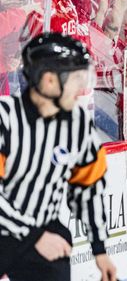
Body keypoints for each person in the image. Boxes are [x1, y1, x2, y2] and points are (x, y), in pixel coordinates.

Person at [0, 32, 116, 281]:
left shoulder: (77, 127)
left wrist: (100, 250)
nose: (80, 88)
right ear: (49, 81)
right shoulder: (5, 121)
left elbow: (89, 190)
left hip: (40, 228)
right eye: (74, 79)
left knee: (58, 244)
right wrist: (33, 237)